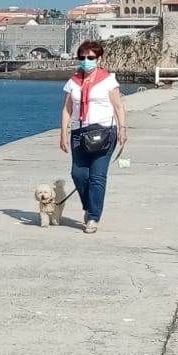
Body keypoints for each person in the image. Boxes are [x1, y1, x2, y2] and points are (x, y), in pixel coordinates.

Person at [58, 40, 126, 234]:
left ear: (99, 59)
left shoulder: (108, 80)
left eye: (90, 58)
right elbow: (67, 109)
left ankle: (93, 217)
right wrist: (63, 133)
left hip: (104, 131)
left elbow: (118, 105)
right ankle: (88, 205)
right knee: (78, 174)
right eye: (83, 58)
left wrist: (122, 128)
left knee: (97, 176)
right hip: (80, 132)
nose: (86, 61)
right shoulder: (73, 82)